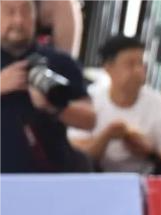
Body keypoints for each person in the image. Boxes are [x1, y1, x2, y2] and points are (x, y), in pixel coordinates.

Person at [0, 0, 95, 173]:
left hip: (49, 176)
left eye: (25, 11)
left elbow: (90, 119)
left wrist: (54, 106)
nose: (18, 20)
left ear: (35, 16)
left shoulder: (60, 61)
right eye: (10, 12)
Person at [68, 35, 161, 174]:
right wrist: (107, 136)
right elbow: (77, 154)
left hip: (143, 177)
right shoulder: (90, 99)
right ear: (108, 68)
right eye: (130, 64)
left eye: (141, 63)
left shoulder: (159, 103)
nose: (138, 70)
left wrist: (149, 152)